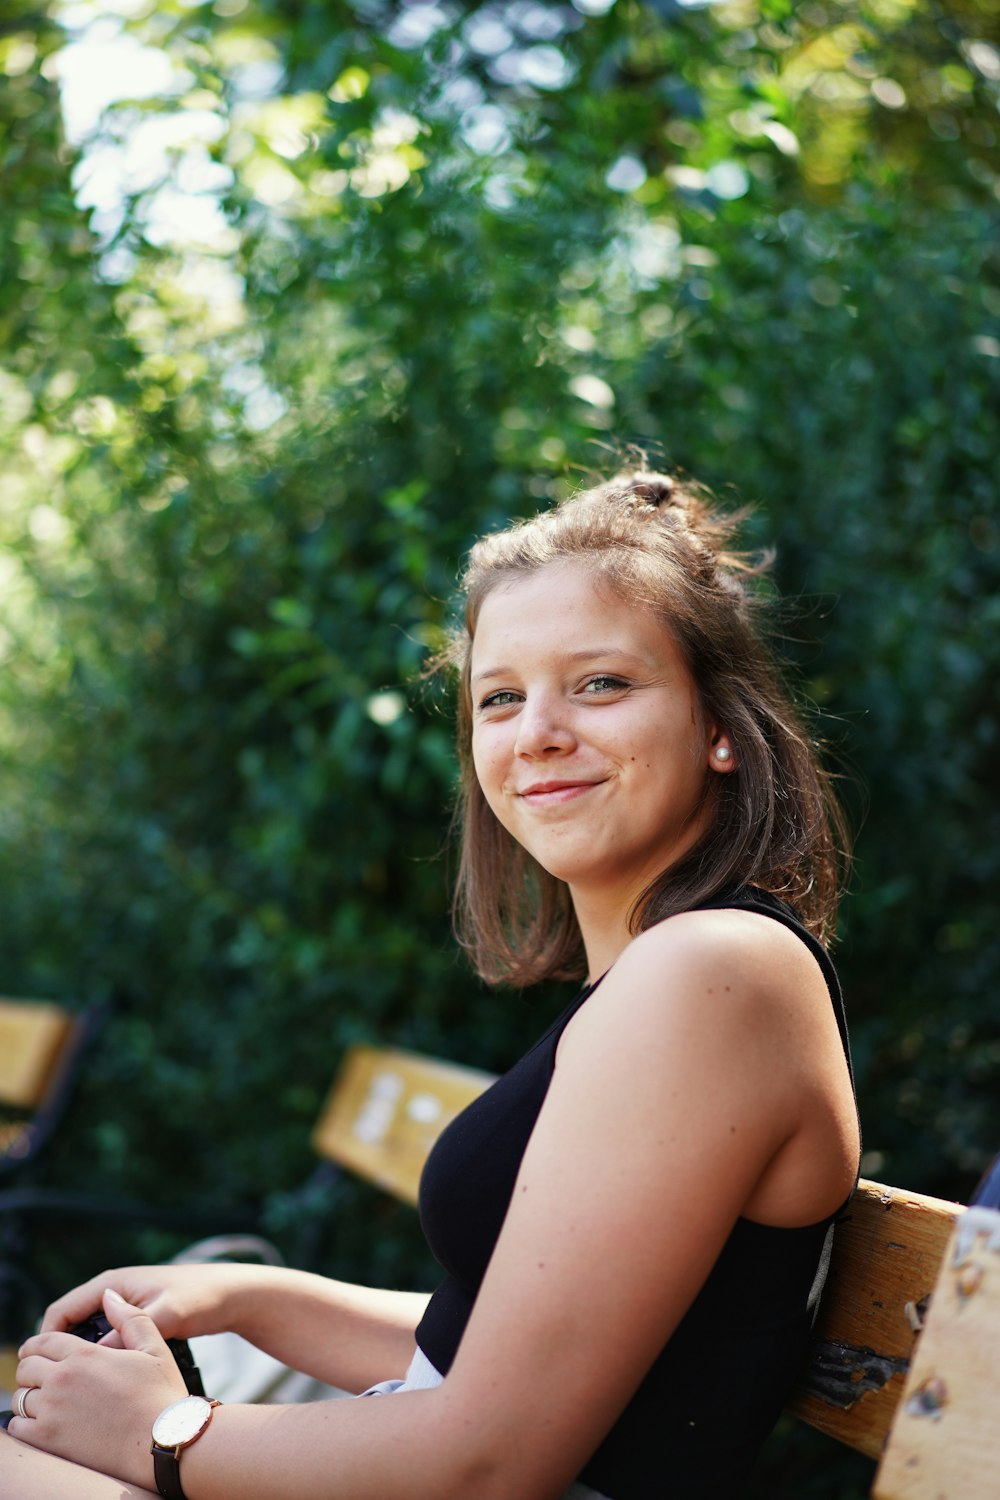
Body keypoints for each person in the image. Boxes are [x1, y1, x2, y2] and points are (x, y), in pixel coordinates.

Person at [1, 471, 860, 1499]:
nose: (535, 730)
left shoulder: (713, 973)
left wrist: (165, 1431)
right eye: (500, 697)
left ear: (720, 727)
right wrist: (255, 1296)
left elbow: (490, 1460)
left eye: (599, 684)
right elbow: (516, 1363)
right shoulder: (664, 976)